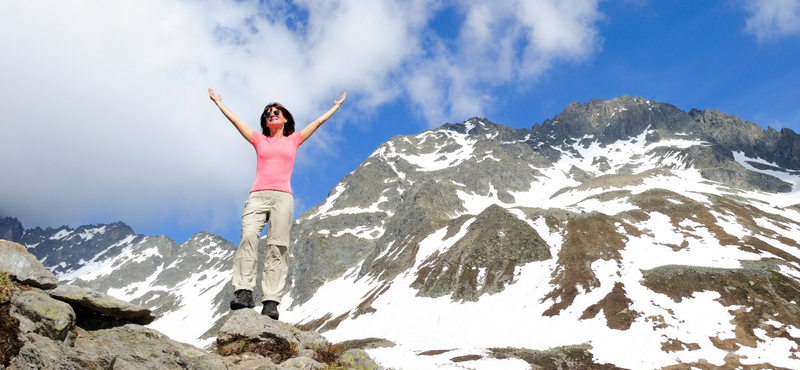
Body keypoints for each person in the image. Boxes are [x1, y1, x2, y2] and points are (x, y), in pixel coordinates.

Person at [208, 88, 346, 320]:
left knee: (277, 246)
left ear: (285, 118)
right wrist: (218, 103)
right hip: (257, 196)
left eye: (276, 112)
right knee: (248, 237)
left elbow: (319, 122)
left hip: (283, 197)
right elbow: (235, 120)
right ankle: (244, 292)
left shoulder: (294, 140)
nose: (271, 114)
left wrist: (336, 106)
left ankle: (271, 302)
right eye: (267, 113)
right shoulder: (258, 139)